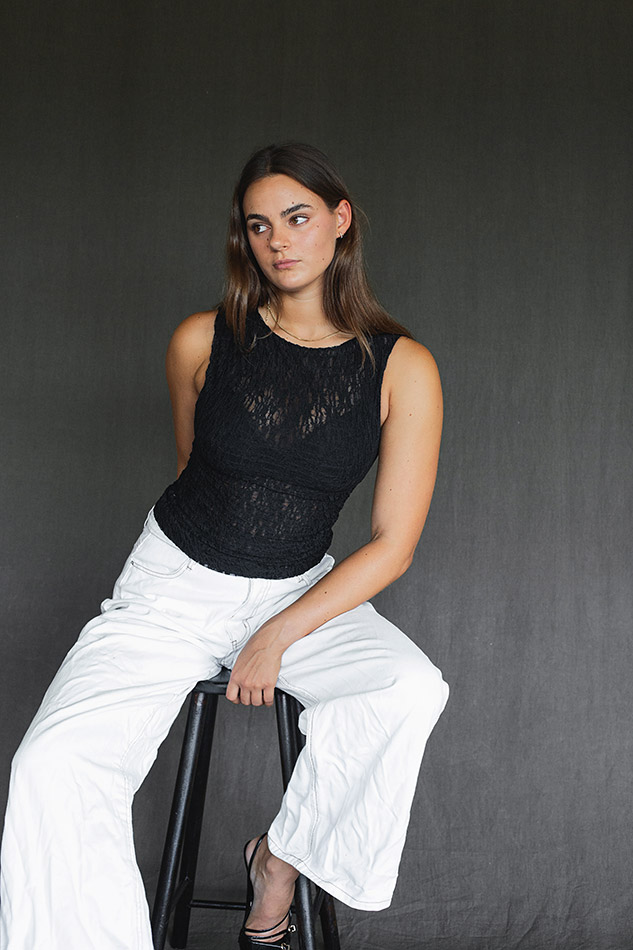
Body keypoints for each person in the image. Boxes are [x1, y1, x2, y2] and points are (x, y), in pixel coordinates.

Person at [0, 142, 449, 950]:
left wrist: (275, 633)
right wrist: (219, 609)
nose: (279, 240)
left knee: (405, 689)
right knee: (51, 767)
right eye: (258, 225)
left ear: (340, 223)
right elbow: (193, 470)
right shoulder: (200, 340)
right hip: (172, 585)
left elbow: (392, 545)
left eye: (298, 217)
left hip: (298, 592)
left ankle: (279, 860)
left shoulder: (402, 366)